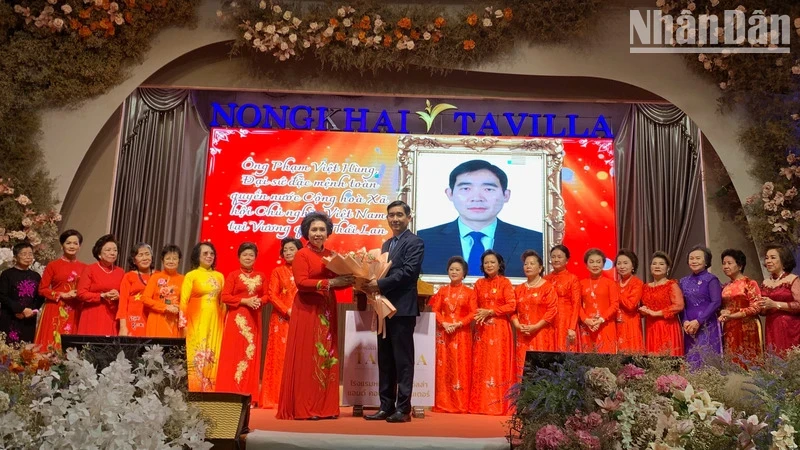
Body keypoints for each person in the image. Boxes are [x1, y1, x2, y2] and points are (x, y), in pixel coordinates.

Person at [277, 212, 354, 420]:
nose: (318, 233)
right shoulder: (302, 255)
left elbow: (339, 282)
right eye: (314, 230)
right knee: (309, 358)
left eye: (322, 229)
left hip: (327, 309)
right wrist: (330, 283)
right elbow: (302, 283)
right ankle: (306, 407)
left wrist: (357, 277)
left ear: (328, 232)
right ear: (306, 232)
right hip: (307, 310)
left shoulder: (330, 254)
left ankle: (326, 408)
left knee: (327, 356)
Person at [417, 159, 543, 278]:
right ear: (450, 194)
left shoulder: (535, 241)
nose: (477, 198)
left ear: (506, 195)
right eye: (466, 189)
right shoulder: (423, 240)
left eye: (488, 189)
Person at [364, 201, 424, 423]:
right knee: (385, 359)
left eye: (399, 214)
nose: (395, 219)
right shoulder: (386, 244)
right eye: (391, 215)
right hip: (383, 308)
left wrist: (379, 285)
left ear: (409, 217)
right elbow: (382, 271)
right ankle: (385, 406)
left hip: (402, 309)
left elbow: (408, 273)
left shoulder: (415, 242)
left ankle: (403, 409)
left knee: (403, 361)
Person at [217, 242, 265, 404]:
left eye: (251, 255)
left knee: (249, 354)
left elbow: (267, 296)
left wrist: (259, 301)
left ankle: (248, 396)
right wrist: (245, 301)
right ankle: (230, 393)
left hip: (253, 319)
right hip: (236, 320)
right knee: (233, 354)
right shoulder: (233, 275)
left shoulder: (261, 276)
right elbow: (225, 297)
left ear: (255, 258)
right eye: (245, 254)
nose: (248, 257)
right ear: (239, 257)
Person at [469, 250, 516, 416]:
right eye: (486, 262)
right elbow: (473, 305)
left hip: (500, 330)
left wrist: (491, 311)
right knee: (481, 365)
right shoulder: (478, 284)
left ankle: (498, 406)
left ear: (499, 264)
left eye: (492, 262)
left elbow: (511, 305)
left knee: (497, 364)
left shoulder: (505, 283)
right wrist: (479, 313)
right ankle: (480, 405)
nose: (489, 265)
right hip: (482, 330)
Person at [428, 256, 476, 413]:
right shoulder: (442, 291)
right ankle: (443, 403)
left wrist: (458, 324)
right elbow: (434, 310)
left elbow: (473, 312)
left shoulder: (470, 292)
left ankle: (460, 404)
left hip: (461, 334)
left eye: (457, 269)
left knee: (460, 367)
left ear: (464, 273)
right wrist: (444, 323)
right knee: (444, 368)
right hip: (444, 333)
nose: (454, 272)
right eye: (451, 269)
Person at [260, 237, 302, 409]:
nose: (288, 252)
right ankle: (275, 397)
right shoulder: (278, 271)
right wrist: (287, 310)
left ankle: (297, 398)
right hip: (281, 320)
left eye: (292, 249)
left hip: (302, 320)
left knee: (299, 358)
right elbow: (272, 295)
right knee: (279, 358)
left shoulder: (305, 271)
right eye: (285, 250)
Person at [181, 242, 225, 392]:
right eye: (205, 253)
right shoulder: (191, 275)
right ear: (197, 256)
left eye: (211, 253)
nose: (209, 256)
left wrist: (223, 324)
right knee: (196, 353)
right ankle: (194, 389)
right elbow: (183, 302)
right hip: (196, 322)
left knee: (213, 353)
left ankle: (210, 390)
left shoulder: (219, 276)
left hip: (215, 323)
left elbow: (223, 303)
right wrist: (184, 325)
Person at [35, 229, 86, 350]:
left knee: (71, 347)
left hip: (75, 309)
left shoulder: (85, 267)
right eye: (68, 243)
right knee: (51, 344)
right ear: (62, 245)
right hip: (55, 308)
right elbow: (42, 289)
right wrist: (62, 294)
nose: (72, 246)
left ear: (80, 246)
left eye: (75, 243)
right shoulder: (53, 265)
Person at [512, 250, 557, 376]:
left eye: (532, 264)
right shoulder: (519, 289)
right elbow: (512, 310)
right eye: (526, 264)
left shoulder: (548, 287)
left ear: (540, 268)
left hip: (541, 333)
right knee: (523, 369)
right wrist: (517, 325)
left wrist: (536, 327)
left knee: (540, 368)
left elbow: (552, 310)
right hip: (523, 335)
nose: (528, 266)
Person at [679, 245, 722, 366]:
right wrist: (685, 321)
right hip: (689, 328)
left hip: (707, 325)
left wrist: (699, 321)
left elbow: (716, 302)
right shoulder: (683, 281)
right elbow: (682, 305)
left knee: (707, 359)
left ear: (706, 261)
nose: (694, 261)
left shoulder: (711, 279)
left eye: (698, 258)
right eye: (691, 258)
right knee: (691, 359)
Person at [719, 248, 762, 366]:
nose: (726, 266)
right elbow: (722, 307)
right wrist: (723, 312)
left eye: (729, 263)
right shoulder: (725, 286)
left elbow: (756, 307)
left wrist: (733, 315)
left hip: (747, 327)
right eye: (723, 263)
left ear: (740, 265)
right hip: (730, 327)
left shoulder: (750, 283)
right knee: (732, 359)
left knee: (748, 360)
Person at [76, 234, 125, 336]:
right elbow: (81, 293)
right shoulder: (90, 269)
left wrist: (118, 296)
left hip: (112, 314)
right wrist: (102, 295)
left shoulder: (121, 272)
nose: (112, 253)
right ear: (99, 254)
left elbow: (125, 295)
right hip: (92, 314)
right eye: (108, 250)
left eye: (115, 250)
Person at [639, 251, 684, 356]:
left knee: (669, 358)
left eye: (661, 264)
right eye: (654, 263)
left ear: (667, 268)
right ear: (650, 267)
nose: (657, 266)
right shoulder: (645, 287)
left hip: (668, 327)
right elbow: (642, 307)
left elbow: (679, 305)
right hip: (651, 327)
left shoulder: (671, 285)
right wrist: (644, 311)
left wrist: (656, 313)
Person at [758, 245, 800, 356]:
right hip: (771, 326)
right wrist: (761, 307)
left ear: (783, 260)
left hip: (790, 327)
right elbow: (763, 311)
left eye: (773, 257)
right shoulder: (766, 282)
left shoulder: (792, 279)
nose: (768, 261)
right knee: (774, 359)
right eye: (767, 258)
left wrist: (775, 304)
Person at [0, 242, 43, 343]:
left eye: (30, 254)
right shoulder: (7, 274)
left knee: (26, 351)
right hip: (11, 316)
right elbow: (2, 296)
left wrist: (31, 311)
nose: (28, 257)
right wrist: (21, 309)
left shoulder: (36, 276)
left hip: (29, 318)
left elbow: (40, 297)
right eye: (24, 254)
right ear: (15, 256)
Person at [544, 245, 581, 352]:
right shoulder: (546, 279)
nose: (556, 259)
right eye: (553, 257)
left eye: (559, 257)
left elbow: (576, 304)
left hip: (566, 321)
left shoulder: (572, 278)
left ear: (567, 260)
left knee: (565, 352)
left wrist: (572, 327)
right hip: (549, 321)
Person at [141, 245, 183, 338]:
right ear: (162, 260)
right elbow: (145, 299)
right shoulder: (155, 277)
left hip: (174, 322)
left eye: (174, 258)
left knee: (171, 351)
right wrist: (165, 307)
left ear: (179, 261)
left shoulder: (183, 279)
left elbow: (186, 302)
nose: (171, 261)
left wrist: (179, 307)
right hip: (156, 319)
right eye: (168, 258)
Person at [118, 243, 154, 337]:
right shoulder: (128, 276)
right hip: (134, 321)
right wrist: (123, 327)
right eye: (140, 255)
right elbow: (122, 303)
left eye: (147, 254)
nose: (145, 258)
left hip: (154, 321)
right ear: (134, 261)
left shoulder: (159, 276)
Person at [615, 249, 644, 354]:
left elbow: (631, 305)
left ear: (633, 266)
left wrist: (615, 293)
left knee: (631, 355)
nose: (622, 266)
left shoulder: (637, 283)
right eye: (619, 263)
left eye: (625, 263)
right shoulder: (615, 284)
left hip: (630, 324)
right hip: (615, 325)